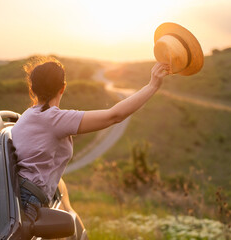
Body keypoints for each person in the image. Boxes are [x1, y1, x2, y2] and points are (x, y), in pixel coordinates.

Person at [11, 56, 170, 232]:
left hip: (20, 194)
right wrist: (152, 86)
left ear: (32, 88)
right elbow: (113, 116)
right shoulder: (53, 119)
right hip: (30, 202)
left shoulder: (27, 115)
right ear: (63, 88)